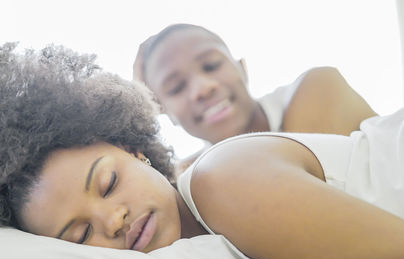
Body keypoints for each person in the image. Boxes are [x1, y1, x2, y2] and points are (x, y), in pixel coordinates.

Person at [0, 43, 404, 259]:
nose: (111, 220)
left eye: (107, 184)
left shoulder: (222, 181)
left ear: (135, 149)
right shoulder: (206, 254)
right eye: (79, 237)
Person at [133, 24, 377, 172]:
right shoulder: (193, 174)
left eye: (211, 65)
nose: (203, 88)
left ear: (243, 68)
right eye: (176, 87)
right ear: (164, 112)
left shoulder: (317, 87)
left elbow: (305, 199)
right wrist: (138, 109)